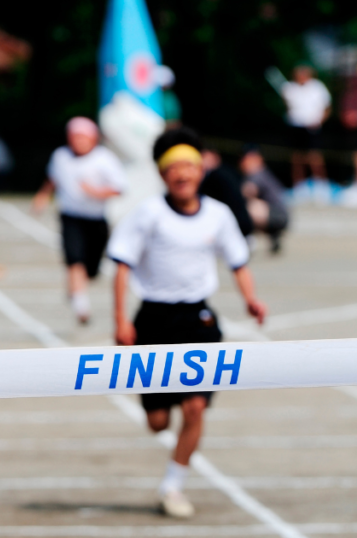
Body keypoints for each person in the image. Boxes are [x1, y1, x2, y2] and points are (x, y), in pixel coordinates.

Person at [108, 128, 267, 518]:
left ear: (200, 171)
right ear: (163, 175)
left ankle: (172, 487)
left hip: (199, 319)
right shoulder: (148, 213)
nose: (183, 174)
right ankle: (160, 413)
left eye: (190, 167)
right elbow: (122, 266)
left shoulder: (218, 214)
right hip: (154, 320)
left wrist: (251, 300)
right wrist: (120, 321)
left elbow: (238, 262)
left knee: (195, 407)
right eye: (174, 168)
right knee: (158, 422)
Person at [32, 117, 126, 324]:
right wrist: (42, 197)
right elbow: (52, 179)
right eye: (74, 137)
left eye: (83, 137)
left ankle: (75, 289)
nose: (78, 141)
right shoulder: (60, 156)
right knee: (74, 259)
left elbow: (119, 189)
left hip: (96, 219)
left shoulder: (105, 158)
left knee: (91, 269)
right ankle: (81, 305)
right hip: (70, 216)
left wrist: (95, 192)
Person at [281, 64, 331, 185]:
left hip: (313, 128)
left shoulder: (318, 87)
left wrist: (318, 121)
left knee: (315, 157)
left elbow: (327, 108)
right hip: (295, 127)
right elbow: (288, 107)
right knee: (297, 157)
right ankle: (298, 185)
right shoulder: (289, 88)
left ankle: (321, 184)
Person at [240, 145, 289, 253]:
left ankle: (247, 238)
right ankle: (273, 235)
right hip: (280, 214)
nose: (243, 163)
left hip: (277, 214)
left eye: (247, 159)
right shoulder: (264, 172)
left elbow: (247, 192)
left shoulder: (257, 173)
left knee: (244, 206)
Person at [200, 147, 254, 237]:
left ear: (215, 157)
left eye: (205, 157)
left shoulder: (216, 176)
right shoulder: (228, 171)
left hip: (234, 227)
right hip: (242, 224)